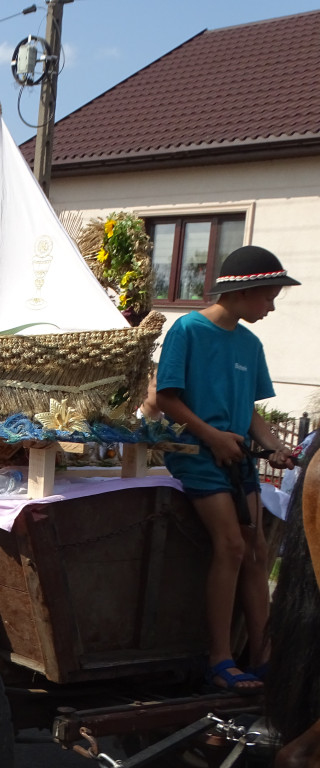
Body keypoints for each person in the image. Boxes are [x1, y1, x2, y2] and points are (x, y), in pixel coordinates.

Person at [155, 245, 299, 693]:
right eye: (269, 296)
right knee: (233, 547)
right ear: (246, 290)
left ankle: (264, 657)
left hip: (237, 463)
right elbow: (167, 399)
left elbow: (252, 413)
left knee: (257, 552)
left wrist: (274, 446)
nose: (271, 306)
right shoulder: (188, 330)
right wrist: (212, 436)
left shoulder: (250, 344)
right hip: (197, 457)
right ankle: (220, 659)